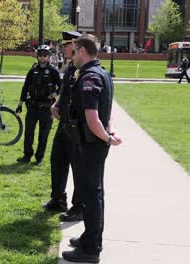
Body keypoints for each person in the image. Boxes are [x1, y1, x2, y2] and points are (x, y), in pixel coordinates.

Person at [61, 34, 122, 263]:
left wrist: (107, 138)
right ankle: (89, 238)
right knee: (94, 194)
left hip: (91, 145)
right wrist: (111, 132)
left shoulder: (89, 78)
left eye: (75, 51)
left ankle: (90, 249)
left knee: (91, 196)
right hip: (95, 144)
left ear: (83, 52)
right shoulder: (102, 73)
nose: (72, 55)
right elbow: (109, 110)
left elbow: (93, 118)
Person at [44, 32, 84, 220]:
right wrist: (56, 105)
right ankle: (58, 199)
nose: (63, 48)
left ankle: (79, 207)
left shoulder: (81, 67)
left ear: (75, 45)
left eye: (66, 45)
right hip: (64, 123)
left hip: (76, 125)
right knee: (57, 159)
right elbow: (65, 93)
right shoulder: (69, 68)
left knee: (78, 165)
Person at [15, 44, 61, 166]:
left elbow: (62, 86)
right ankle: (26, 155)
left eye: (45, 55)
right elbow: (25, 87)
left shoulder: (53, 71)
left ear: (49, 56)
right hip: (33, 106)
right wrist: (20, 104)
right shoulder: (33, 70)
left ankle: (39, 158)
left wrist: (54, 94)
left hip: (46, 108)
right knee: (29, 132)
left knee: (43, 135)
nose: (42, 57)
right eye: (40, 55)